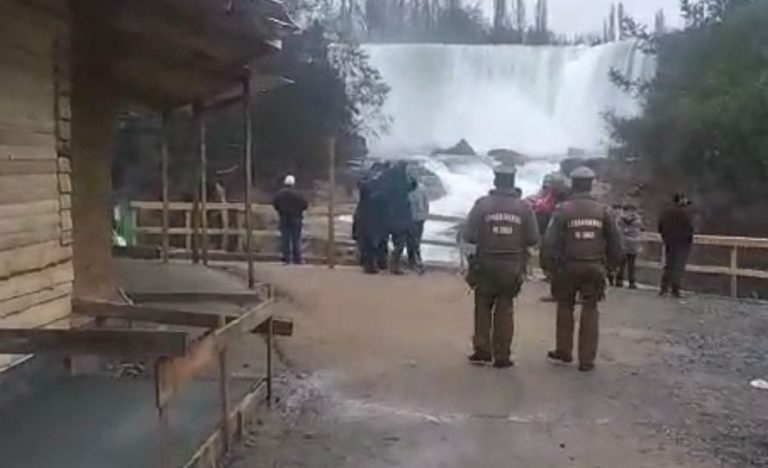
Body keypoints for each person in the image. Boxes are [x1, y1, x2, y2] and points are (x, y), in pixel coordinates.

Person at [541, 167, 622, 372]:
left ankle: (564, 351)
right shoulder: (603, 211)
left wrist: (548, 267)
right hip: (594, 267)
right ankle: (586, 360)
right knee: (591, 309)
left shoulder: (562, 210)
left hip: (567, 267)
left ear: (573, 184)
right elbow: (615, 242)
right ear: (591, 184)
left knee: (565, 307)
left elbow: (549, 242)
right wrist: (611, 267)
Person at [464, 165, 540, 369]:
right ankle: (502, 355)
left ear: (495, 180)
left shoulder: (482, 205)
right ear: (513, 181)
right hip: (512, 267)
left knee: (482, 307)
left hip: (485, 265)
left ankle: (482, 351)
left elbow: (468, 235)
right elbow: (533, 238)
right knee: (505, 309)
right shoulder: (524, 208)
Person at [658, 193, 695, 297]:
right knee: (678, 266)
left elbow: (660, 226)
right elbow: (689, 228)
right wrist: (688, 239)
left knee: (669, 265)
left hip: (669, 241)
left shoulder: (666, 211)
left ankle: (663, 288)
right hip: (682, 243)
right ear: (680, 200)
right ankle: (675, 289)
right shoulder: (685, 213)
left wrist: (665, 238)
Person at [272, 174, 308, 265]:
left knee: (285, 239)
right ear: (293, 184)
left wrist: (281, 211)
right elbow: (305, 205)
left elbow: (275, 204)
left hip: (284, 218)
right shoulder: (298, 194)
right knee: (296, 239)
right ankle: (297, 258)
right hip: (296, 219)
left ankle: (286, 258)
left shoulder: (280, 194)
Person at [616, 204, 643, 289]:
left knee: (621, 264)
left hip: (623, 243)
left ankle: (618, 280)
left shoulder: (619, 219)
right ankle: (631, 282)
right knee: (631, 265)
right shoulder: (637, 220)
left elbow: (617, 231)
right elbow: (640, 229)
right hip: (633, 244)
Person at [406, 178, 429, 273]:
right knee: (414, 241)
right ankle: (416, 261)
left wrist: (425, 215)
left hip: (417, 218)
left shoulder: (420, 188)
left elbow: (425, 203)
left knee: (415, 241)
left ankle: (414, 261)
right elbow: (425, 203)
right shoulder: (411, 189)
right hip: (414, 218)